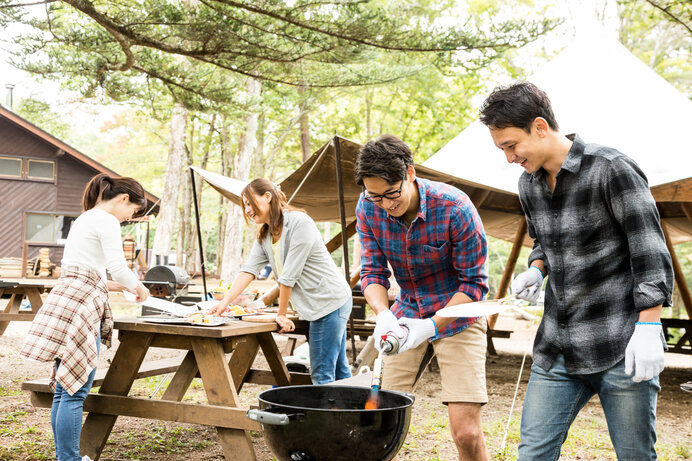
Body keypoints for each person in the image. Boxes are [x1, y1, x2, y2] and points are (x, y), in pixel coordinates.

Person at [479, 81, 673, 460]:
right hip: (557, 348)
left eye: (510, 145)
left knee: (636, 456)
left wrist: (649, 326)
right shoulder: (528, 184)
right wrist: (536, 268)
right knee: (532, 455)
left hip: (621, 345)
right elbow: (545, 241)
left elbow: (649, 249)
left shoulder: (611, 168)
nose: (509, 158)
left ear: (539, 127)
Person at [355, 135, 490, 460]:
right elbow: (372, 272)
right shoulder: (367, 208)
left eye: (392, 193)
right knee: (379, 421)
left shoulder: (454, 208)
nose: (386, 204)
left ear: (410, 174)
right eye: (375, 196)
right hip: (405, 314)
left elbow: (474, 286)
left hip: (460, 314)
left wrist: (431, 326)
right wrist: (383, 314)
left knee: (466, 432)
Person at [20, 174, 151, 461]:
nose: (131, 217)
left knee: (64, 388)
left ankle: (64, 457)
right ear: (125, 199)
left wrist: (122, 285)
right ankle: (69, 459)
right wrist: (140, 288)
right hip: (82, 305)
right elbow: (117, 268)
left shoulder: (85, 218)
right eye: (134, 211)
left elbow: (88, 270)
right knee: (75, 392)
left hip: (68, 297)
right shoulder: (107, 221)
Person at [210, 178, 352, 385]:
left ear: (267, 197)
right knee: (339, 371)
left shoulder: (299, 223)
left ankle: (328, 416)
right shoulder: (266, 234)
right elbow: (248, 270)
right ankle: (355, 415)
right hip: (318, 304)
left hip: (329, 302)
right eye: (245, 205)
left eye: (250, 202)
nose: (248, 210)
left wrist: (282, 314)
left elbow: (289, 275)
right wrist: (225, 302)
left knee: (322, 374)